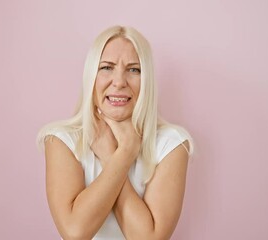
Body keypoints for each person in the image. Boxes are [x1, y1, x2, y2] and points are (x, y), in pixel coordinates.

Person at [37, 25, 194, 240]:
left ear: (146, 80)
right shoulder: (61, 139)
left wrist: (118, 152)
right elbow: (75, 232)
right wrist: (123, 154)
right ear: (91, 76)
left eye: (133, 70)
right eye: (107, 67)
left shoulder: (172, 144)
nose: (119, 82)